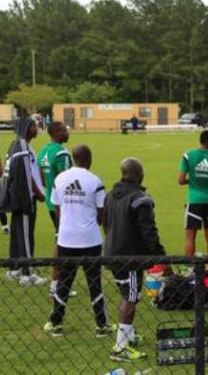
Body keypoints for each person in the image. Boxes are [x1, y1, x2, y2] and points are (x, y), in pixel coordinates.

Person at [43, 146, 111, 338]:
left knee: (64, 281)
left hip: (66, 239)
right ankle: (101, 325)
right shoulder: (95, 181)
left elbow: (57, 208)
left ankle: (55, 323)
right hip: (90, 239)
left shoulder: (60, 179)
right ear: (88, 159)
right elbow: (101, 213)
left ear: (73, 159)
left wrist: (67, 223)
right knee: (94, 283)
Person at [104, 157, 167, 362]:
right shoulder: (141, 199)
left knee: (127, 292)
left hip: (112, 252)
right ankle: (120, 347)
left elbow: (105, 223)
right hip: (130, 257)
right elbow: (149, 231)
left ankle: (128, 335)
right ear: (139, 173)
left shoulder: (110, 196)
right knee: (130, 297)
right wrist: (160, 255)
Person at [0, 118, 47, 286]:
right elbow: (24, 175)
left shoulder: (17, 144)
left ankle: (15, 268)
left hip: (17, 195)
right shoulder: (22, 146)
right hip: (24, 197)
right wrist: (38, 194)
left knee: (18, 233)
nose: (36, 128)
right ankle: (28, 273)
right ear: (27, 128)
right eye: (34, 126)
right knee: (26, 234)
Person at [37, 121, 74, 295]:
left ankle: (58, 284)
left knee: (60, 240)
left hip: (51, 203)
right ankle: (57, 286)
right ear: (58, 132)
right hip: (64, 205)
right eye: (65, 130)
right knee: (62, 243)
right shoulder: (61, 153)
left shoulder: (43, 150)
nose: (68, 132)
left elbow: (42, 178)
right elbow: (67, 180)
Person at [178, 130, 208, 256]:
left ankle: (188, 267)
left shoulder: (188, 155)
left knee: (190, 236)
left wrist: (193, 179)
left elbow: (181, 180)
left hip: (194, 200)